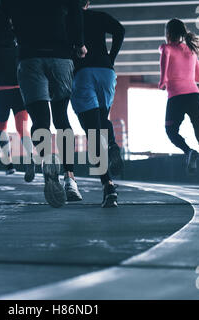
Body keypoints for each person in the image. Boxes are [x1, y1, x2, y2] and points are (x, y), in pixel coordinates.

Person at [0, 0, 86, 208]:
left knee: (40, 119)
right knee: (61, 118)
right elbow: (77, 10)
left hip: (29, 58)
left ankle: (48, 158)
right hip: (60, 57)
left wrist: (16, 34)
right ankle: (70, 180)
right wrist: (78, 43)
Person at [159, 19, 199, 196]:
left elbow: (164, 71)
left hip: (176, 98)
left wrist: (163, 82)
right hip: (195, 97)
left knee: (171, 131)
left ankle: (188, 151)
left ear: (168, 33)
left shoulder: (166, 48)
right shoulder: (191, 50)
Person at [70, 0, 125, 208]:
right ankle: (111, 144)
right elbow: (120, 30)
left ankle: (108, 185)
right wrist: (111, 57)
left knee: (93, 132)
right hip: (106, 72)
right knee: (103, 119)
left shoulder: (68, 18)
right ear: (88, 2)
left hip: (82, 73)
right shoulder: (99, 16)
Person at [0, 34, 35, 182]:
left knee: (2, 128)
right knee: (22, 128)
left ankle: (9, 165)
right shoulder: (19, 48)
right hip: (19, 92)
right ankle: (30, 156)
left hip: (1, 92)